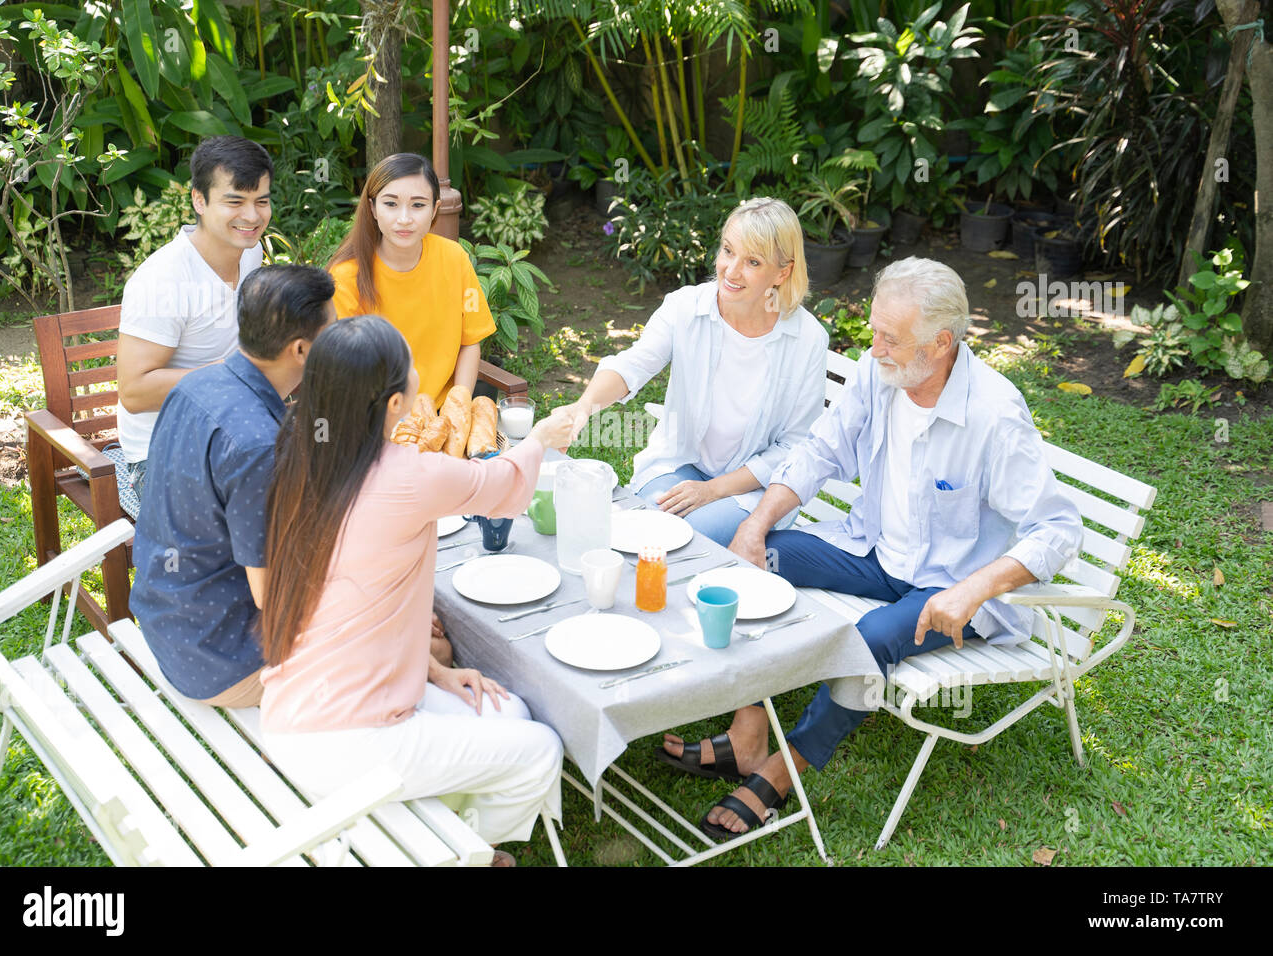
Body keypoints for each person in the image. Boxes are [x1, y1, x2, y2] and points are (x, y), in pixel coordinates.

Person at [658, 257, 1084, 839]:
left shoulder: (994, 413)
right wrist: (756, 524)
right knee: (757, 563)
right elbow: (820, 453)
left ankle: (783, 773)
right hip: (877, 553)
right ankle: (747, 730)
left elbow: (1058, 529)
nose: (874, 346)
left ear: (939, 344)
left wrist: (975, 589)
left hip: (953, 587)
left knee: (871, 638)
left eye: (890, 337)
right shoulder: (879, 372)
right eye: (874, 330)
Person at [257, 315, 575, 863]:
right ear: (394, 406)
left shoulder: (298, 454)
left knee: (509, 715)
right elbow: (505, 486)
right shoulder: (411, 474)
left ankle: (442, 838)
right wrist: (542, 438)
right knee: (542, 751)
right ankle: (466, 853)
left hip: (293, 714)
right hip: (353, 741)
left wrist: (435, 670)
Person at [563, 197, 828, 547]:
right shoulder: (686, 306)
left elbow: (793, 449)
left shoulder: (807, 339)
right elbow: (633, 364)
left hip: (754, 489)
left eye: (752, 261)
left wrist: (712, 491)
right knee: (640, 533)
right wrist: (580, 410)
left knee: (678, 540)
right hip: (678, 466)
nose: (731, 271)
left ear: (782, 272)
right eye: (728, 251)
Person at [130, 265, 334, 708]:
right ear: (301, 349)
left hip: (168, 618)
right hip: (222, 657)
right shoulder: (257, 447)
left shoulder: (197, 383)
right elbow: (272, 596)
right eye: (330, 337)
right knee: (420, 648)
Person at [116, 136, 274, 502]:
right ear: (198, 200)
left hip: (235, 430)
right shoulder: (162, 280)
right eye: (234, 201)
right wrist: (233, 374)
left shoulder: (249, 252)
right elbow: (134, 392)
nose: (251, 216)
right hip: (164, 454)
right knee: (264, 513)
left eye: (261, 201)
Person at [327, 152, 494, 408]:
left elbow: (470, 343)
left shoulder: (454, 258)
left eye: (418, 205)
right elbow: (347, 369)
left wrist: (457, 406)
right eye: (391, 204)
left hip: (441, 413)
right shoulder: (346, 276)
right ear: (372, 208)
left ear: (434, 209)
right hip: (375, 415)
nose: (404, 218)